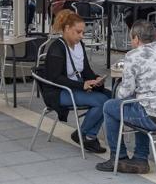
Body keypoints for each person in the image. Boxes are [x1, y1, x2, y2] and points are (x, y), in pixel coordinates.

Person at [96, 20, 156, 174]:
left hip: (155, 119)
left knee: (110, 106)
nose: (131, 41)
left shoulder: (133, 55)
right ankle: (140, 158)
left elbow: (123, 94)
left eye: (131, 38)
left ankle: (118, 157)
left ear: (136, 38)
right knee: (142, 102)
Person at [44, 10, 110, 153]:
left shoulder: (79, 45)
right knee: (102, 101)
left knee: (110, 98)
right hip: (58, 91)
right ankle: (84, 134)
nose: (81, 36)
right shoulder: (57, 48)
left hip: (74, 86)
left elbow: (86, 70)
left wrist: (95, 79)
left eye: (83, 33)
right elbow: (55, 78)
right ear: (67, 29)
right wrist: (82, 85)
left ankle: (88, 135)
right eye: (78, 32)